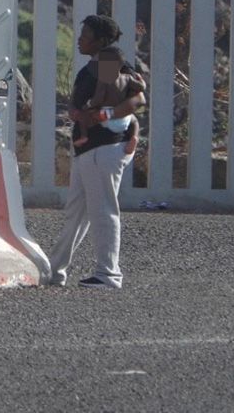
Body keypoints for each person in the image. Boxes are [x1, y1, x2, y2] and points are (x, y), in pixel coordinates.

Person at [51, 14, 147, 290]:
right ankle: (55, 270)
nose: (80, 39)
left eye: (86, 35)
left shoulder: (107, 60)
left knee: (103, 210)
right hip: (92, 149)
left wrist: (105, 116)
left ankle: (108, 274)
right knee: (76, 213)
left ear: (102, 40)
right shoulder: (98, 63)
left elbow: (133, 99)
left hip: (104, 147)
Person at [71, 46, 142, 150]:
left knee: (84, 116)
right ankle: (134, 137)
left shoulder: (104, 79)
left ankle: (83, 136)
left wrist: (89, 105)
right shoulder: (127, 78)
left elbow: (98, 99)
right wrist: (142, 81)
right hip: (124, 119)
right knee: (134, 120)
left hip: (106, 119)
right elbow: (141, 87)